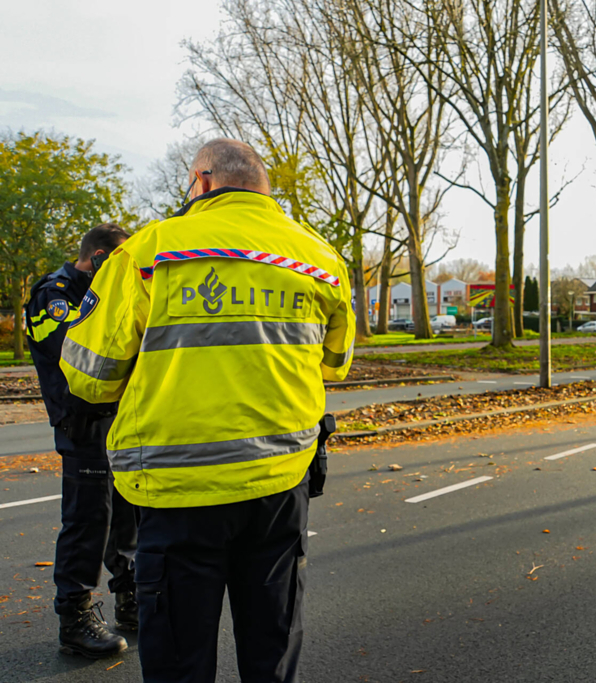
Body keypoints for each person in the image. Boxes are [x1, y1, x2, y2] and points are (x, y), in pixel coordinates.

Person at [61, 138, 355, 683]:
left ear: (202, 183)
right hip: (279, 483)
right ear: (263, 186)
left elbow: (89, 376)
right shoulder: (319, 257)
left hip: (178, 490)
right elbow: (334, 363)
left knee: (179, 659)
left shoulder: (147, 254)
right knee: (271, 651)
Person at [24, 224, 137, 659]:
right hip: (83, 423)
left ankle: (130, 597)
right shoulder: (54, 294)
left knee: (127, 513)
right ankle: (75, 617)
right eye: (118, 264)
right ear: (99, 258)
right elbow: (79, 350)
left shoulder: (101, 292)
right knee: (88, 519)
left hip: (117, 420)